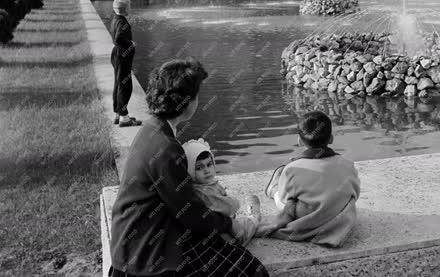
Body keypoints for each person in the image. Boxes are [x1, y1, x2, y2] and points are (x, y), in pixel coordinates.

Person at [109, 59, 268, 277]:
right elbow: (191, 214)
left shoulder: (153, 129)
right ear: (187, 102)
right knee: (253, 271)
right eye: (196, 95)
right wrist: (229, 224)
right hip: (148, 255)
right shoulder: (166, 149)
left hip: (136, 242)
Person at [259, 110, 360, 247]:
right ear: (331, 138)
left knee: (284, 199)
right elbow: (355, 194)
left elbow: (285, 200)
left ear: (299, 141)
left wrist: (278, 193)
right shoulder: (348, 164)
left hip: (307, 216)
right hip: (338, 213)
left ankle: (272, 190)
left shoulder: (293, 169)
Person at [182, 138, 260, 246]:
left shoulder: (202, 186)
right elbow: (230, 207)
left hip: (220, 227)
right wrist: (234, 201)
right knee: (249, 224)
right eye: (199, 168)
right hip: (225, 233)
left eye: (209, 164)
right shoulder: (205, 192)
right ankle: (254, 216)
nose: (206, 170)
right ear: (190, 171)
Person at [109, 0, 141, 127]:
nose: (131, 7)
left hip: (117, 55)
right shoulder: (122, 22)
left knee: (118, 84)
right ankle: (124, 118)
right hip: (122, 56)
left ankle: (118, 113)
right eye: (130, 5)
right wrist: (131, 43)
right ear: (126, 8)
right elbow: (118, 38)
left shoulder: (116, 19)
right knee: (125, 86)